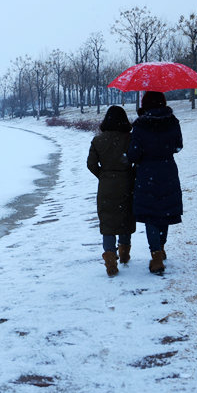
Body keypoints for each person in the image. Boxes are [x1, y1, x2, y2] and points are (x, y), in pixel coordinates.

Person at [128, 91, 183, 274]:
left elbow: (134, 154)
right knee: (164, 211)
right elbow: (178, 146)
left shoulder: (140, 125)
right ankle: (161, 246)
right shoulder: (172, 121)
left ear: (145, 104)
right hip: (167, 170)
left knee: (151, 214)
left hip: (147, 173)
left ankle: (156, 254)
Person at [87, 105, 136, 276]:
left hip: (106, 186)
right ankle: (124, 252)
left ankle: (109, 258)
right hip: (127, 182)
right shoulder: (130, 139)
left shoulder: (98, 140)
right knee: (125, 217)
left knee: (108, 221)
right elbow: (137, 158)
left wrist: (103, 175)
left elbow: (91, 164)